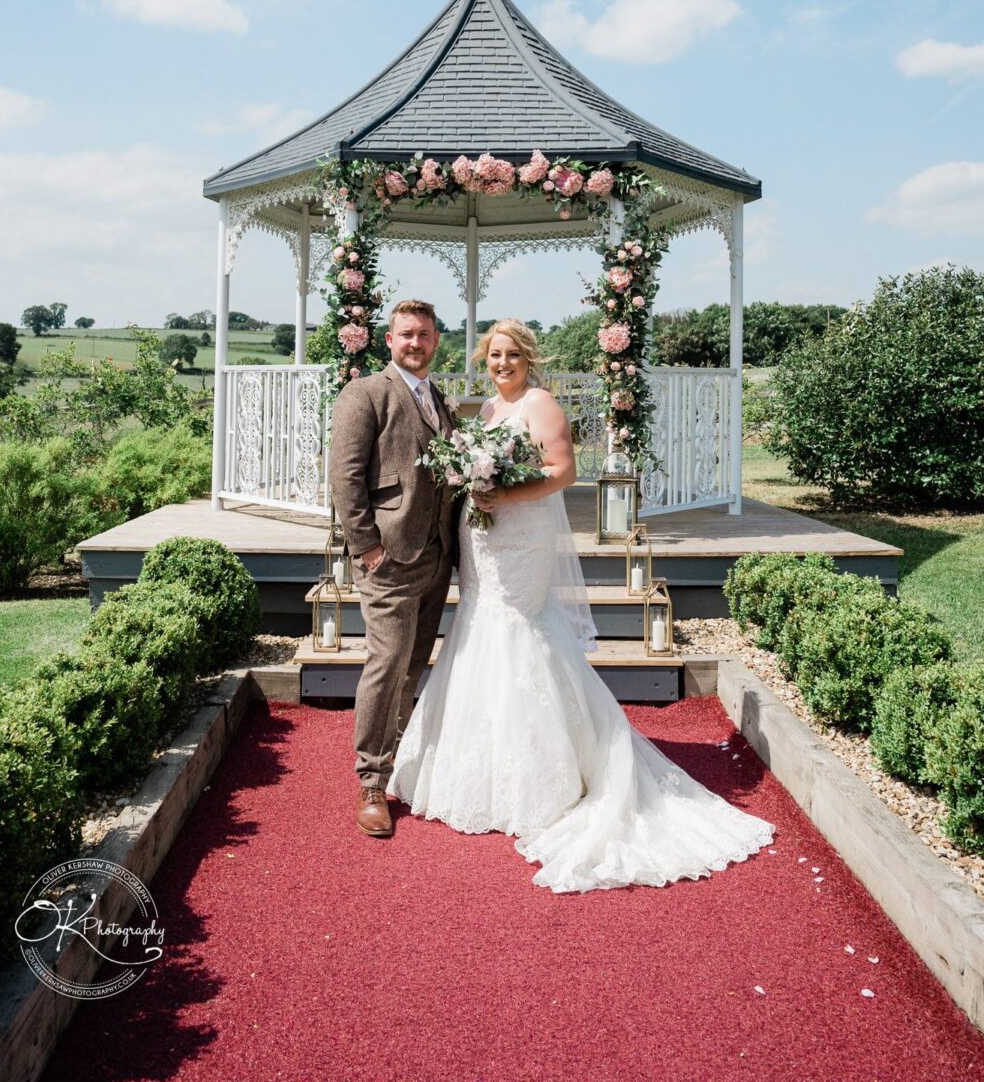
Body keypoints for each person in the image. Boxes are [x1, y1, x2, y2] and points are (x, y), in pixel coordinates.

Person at [389, 317, 775, 892]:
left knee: (519, 630)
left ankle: (547, 775)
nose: (501, 364)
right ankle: (483, 769)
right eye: (493, 355)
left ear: (528, 358)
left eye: (511, 355)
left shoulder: (540, 405)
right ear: (481, 360)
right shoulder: (486, 411)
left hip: (524, 538)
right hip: (484, 539)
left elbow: (563, 472)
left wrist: (501, 491)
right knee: (478, 626)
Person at [327, 299, 458, 839]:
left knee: (413, 664)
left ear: (435, 341)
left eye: (425, 334)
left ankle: (398, 757)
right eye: (407, 334)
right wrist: (366, 547)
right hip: (389, 556)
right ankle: (371, 783)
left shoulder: (438, 397)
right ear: (389, 339)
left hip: (435, 555)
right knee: (386, 664)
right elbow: (345, 476)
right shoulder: (365, 393)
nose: (416, 342)